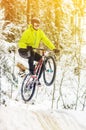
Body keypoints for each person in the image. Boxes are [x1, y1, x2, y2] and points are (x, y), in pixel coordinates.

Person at [18, 17, 59, 84]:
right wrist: (27, 47)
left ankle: (36, 79)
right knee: (31, 53)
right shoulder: (28, 32)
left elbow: (46, 40)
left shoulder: (40, 33)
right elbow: (21, 43)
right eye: (35, 25)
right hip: (23, 50)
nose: (37, 26)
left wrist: (53, 48)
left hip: (31, 51)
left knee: (41, 61)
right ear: (32, 24)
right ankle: (32, 72)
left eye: (38, 25)